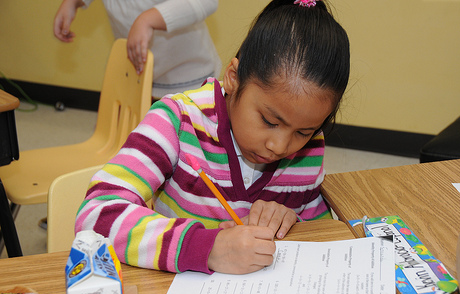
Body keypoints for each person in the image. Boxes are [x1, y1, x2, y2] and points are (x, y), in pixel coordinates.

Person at [75, 0, 350, 275]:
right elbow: (95, 215)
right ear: (233, 77)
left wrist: (294, 220)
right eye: (269, 121)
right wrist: (206, 247)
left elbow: (322, 237)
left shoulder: (309, 148)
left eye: (303, 131)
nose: (279, 146)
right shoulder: (178, 121)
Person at [53, 0, 222, 99]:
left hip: (187, 75)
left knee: (188, 142)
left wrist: (148, 19)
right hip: (136, 72)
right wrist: (72, 3)